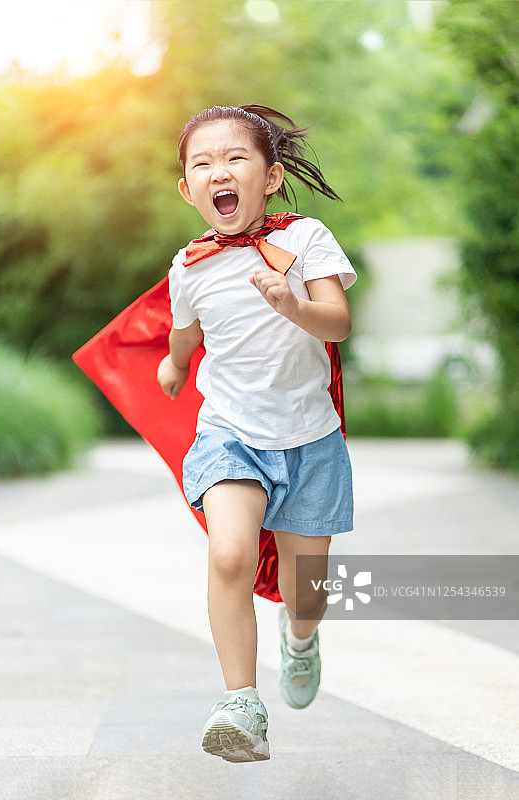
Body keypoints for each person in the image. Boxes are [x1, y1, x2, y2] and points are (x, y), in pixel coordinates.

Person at [156, 104, 357, 763]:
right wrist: (176, 363)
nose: (219, 170)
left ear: (269, 177)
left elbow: (336, 323)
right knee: (229, 556)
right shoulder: (189, 266)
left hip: (309, 440)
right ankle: (240, 701)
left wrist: (291, 304)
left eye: (234, 158)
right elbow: (186, 329)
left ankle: (299, 638)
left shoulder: (304, 238)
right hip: (228, 432)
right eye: (202, 163)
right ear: (189, 190)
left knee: (307, 593)